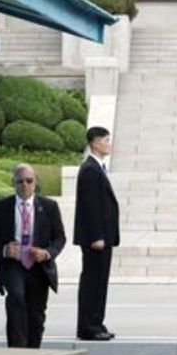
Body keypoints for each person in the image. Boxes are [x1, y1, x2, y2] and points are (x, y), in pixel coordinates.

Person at [0, 164, 66, 348]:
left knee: (36, 314)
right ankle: (17, 349)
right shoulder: (1, 208)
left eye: (29, 181)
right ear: (14, 183)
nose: (25, 185)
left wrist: (46, 253)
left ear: (35, 182)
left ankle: (33, 351)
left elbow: (60, 237)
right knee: (16, 297)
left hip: (39, 266)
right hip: (13, 264)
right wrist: (5, 250)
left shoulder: (49, 206)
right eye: (20, 181)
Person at [74, 126, 119, 341]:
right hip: (96, 239)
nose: (109, 144)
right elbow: (90, 207)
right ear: (94, 143)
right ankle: (88, 326)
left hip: (104, 237)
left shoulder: (97, 167)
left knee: (100, 282)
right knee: (92, 281)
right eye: (105, 140)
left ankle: (96, 322)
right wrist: (96, 236)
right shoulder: (90, 169)